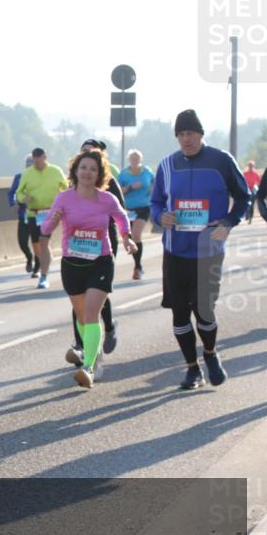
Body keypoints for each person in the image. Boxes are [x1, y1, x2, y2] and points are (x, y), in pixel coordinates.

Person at [151, 110, 251, 389]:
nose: (186, 139)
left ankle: (209, 353)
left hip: (209, 251)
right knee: (180, 313)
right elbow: (156, 202)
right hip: (175, 251)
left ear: (200, 134)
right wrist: (161, 217)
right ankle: (192, 369)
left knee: (205, 311)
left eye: (191, 133)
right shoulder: (167, 165)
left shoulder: (221, 161)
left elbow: (244, 196)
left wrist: (229, 222)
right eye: (181, 134)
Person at [39, 151, 135, 388]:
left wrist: (127, 238)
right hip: (72, 263)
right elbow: (46, 227)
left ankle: (88, 368)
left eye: (93, 169)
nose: (87, 173)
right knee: (83, 318)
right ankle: (95, 355)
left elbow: (122, 219)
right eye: (83, 168)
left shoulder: (107, 199)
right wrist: (54, 219)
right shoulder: (63, 198)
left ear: (100, 174)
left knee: (92, 315)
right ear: (75, 171)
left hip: (100, 261)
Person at [65, 139, 126, 366]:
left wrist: (127, 238)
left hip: (104, 242)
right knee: (80, 297)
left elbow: (121, 212)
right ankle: (81, 345)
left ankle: (108, 327)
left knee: (97, 292)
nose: (88, 159)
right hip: (77, 246)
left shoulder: (109, 183)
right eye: (84, 153)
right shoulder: (73, 183)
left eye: (93, 154)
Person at [14, 147, 69, 289]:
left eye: (39, 160)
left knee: (43, 241)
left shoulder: (55, 171)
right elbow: (18, 193)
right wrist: (23, 198)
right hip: (33, 213)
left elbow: (66, 188)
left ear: (45, 157)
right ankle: (44, 261)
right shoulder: (27, 174)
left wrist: (63, 201)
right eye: (34, 161)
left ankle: (43, 276)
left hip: (50, 213)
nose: (37, 164)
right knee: (37, 244)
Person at [118, 149, 155, 279]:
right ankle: (137, 265)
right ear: (129, 160)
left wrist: (155, 198)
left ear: (141, 159)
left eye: (137, 158)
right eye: (132, 159)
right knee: (133, 238)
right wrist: (130, 187)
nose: (135, 161)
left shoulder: (147, 172)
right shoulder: (123, 174)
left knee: (136, 234)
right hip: (128, 210)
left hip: (144, 208)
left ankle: (138, 267)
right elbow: (118, 192)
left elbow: (155, 186)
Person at [8, 154, 38, 275]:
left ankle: (37, 267)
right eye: (27, 164)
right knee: (22, 242)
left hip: (37, 216)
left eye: (32, 164)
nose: (29, 167)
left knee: (38, 243)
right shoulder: (19, 177)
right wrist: (13, 203)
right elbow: (11, 193)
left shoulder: (41, 178)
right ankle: (29, 257)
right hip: (23, 215)